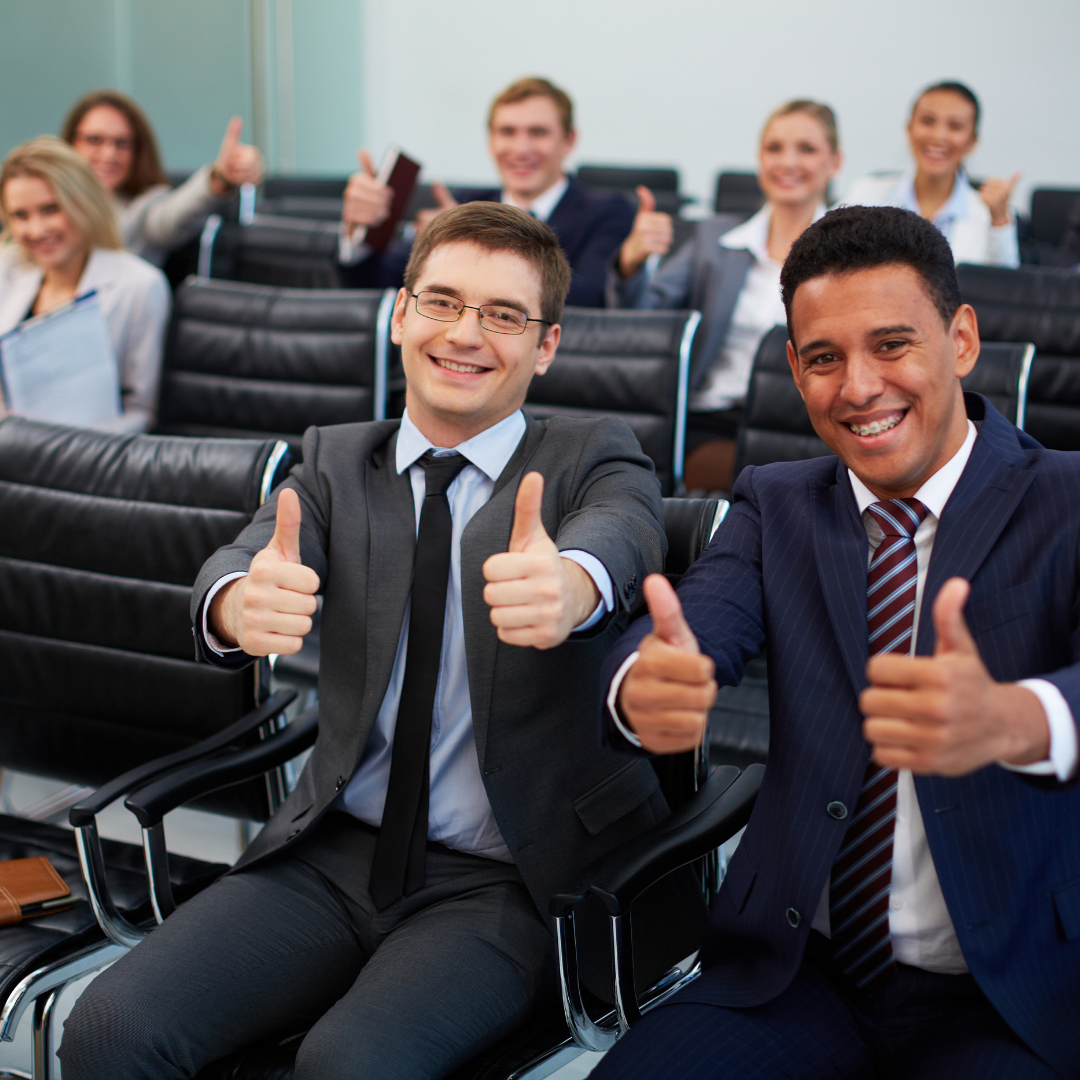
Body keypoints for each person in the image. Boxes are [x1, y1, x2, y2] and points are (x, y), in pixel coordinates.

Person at [58, 202, 699, 1080]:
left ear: (545, 346)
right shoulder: (332, 460)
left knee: (348, 1068)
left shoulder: (596, 451)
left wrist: (575, 584)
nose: (465, 334)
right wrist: (240, 603)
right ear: (400, 315)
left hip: (511, 874)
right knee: (110, 1027)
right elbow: (250, 555)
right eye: (442, 302)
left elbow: (626, 531)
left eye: (504, 315)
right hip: (332, 852)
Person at [592, 205, 1080, 1079]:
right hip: (794, 974)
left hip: (1006, 992)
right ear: (794, 368)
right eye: (824, 358)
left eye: (892, 345)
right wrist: (645, 685)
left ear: (961, 340)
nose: (857, 387)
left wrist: (1018, 719)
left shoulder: (1067, 498)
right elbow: (699, 623)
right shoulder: (777, 502)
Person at [608, 100, 842, 492]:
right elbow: (643, 322)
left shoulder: (850, 249)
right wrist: (632, 263)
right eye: (774, 148)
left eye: (807, 149)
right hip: (714, 419)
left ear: (835, 161)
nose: (787, 161)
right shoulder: (714, 240)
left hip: (810, 423)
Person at [337, 77, 634, 307]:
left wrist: (462, 249)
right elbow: (380, 284)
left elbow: (591, 298)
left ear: (568, 140)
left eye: (538, 132)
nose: (521, 149)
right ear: (490, 140)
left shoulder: (608, 211)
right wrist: (360, 233)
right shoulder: (464, 203)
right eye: (507, 132)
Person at [0, 136, 170, 432]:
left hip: (86, 460)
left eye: (51, 209)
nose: (36, 230)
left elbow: (141, 411)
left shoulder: (140, 285)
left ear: (83, 203)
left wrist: (66, 451)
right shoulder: (7, 267)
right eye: (20, 215)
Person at [61, 89, 264, 268]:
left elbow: (173, 218)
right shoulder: (50, 200)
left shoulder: (144, 207)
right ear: (71, 142)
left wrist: (219, 177)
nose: (108, 155)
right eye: (94, 140)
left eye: (122, 143)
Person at [845, 82, 1020, 268]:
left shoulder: (988, 216)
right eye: (927, 121)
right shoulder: (864, 194)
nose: (938, 136)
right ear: (909, 129)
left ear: (973, 142)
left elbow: (1003, 288)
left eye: (955, 126)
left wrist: (999, 221)